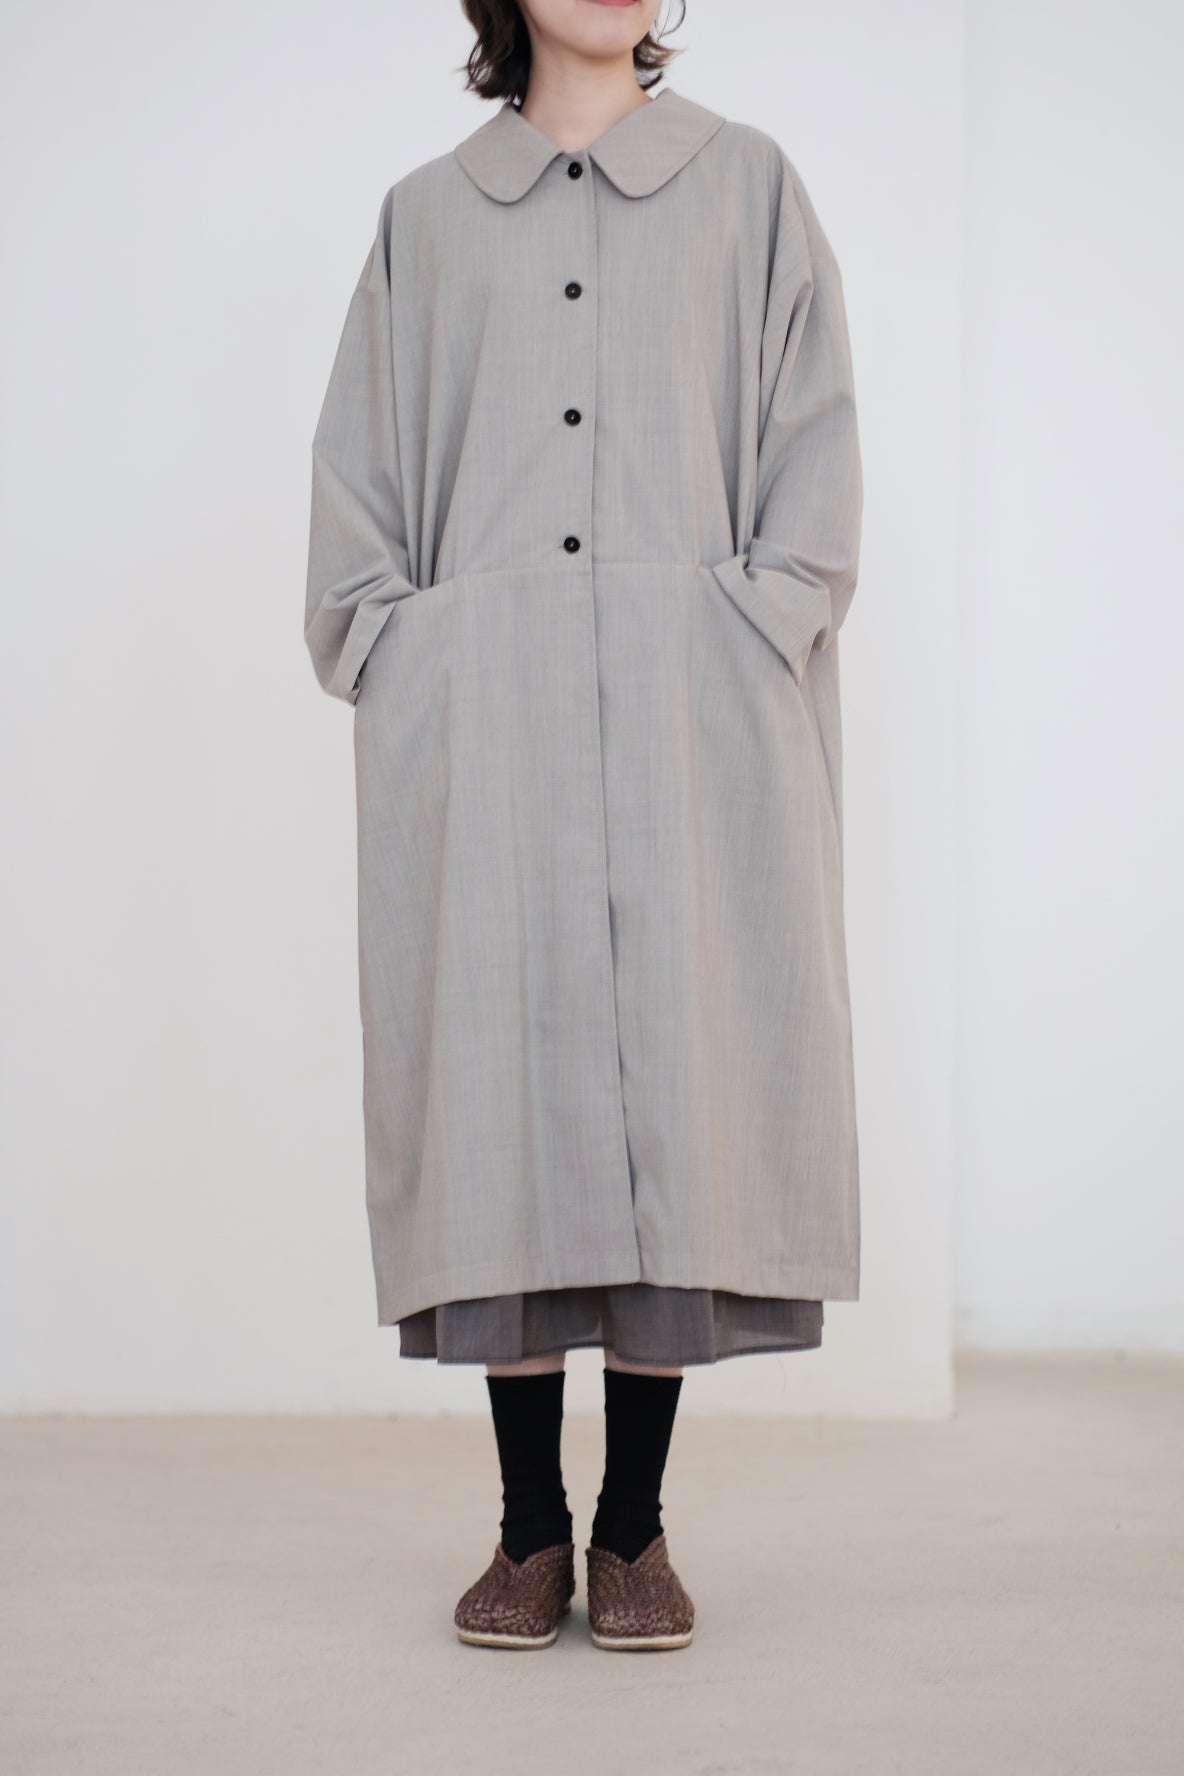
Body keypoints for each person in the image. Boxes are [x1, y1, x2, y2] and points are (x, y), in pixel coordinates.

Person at [304, 0, 863, 1653]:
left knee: (682, 1088)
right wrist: (407, 651)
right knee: (499, 1096)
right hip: (484, 725)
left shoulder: (750, 188)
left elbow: (816, 459)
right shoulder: (427, 217)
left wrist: (750, 626)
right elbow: (354, 493)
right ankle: (526, 1529)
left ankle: (634, 1527)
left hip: (697, 716)